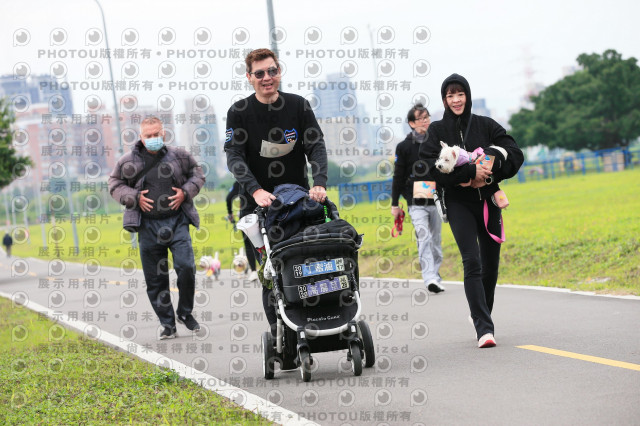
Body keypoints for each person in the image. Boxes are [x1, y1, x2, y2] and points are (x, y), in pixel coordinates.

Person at [224, 48, 328, 338]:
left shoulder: (298, 105)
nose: (267, 77)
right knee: (271, 272)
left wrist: (319, 182)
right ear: (249, 77)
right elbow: (234, 156)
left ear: (279, 71)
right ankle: (281, 334)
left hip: (298, 202)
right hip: (257, 208)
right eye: (259, 73)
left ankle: (320, 319)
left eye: (272, 71)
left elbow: (315, 145)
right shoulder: (239, 112)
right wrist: (256, 190)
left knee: (310, 263)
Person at [420, 74, 523, 348]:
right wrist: (468, 172)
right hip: (458, 203)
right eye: (450, 95)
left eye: (460, 94)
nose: (456, 100)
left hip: (489, 200)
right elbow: (428, 168)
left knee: (491, 265)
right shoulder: (436, 131)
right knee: (472, 261)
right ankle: (484, 329)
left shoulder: (485, 125)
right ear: (444, 100)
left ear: (467, 95)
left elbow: (515, 153)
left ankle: (480, 311)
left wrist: (492, 164)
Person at [108, 116, 205, 340]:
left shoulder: (179, 155)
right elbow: (114, 184)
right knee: (155, 279)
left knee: (186, 267)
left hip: (177, 221)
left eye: (156, 134)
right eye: (148, 135)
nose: (153, 138)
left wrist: (185, 192)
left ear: (163, 134)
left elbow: (197, 174)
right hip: (147, 225)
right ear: (141, 137)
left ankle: (185, 312)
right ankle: (167, 324)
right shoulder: (127, 161)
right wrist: (133, 197)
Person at [391, 104, 445, 294]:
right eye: (420, 119)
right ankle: (429, 278)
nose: (425, 121)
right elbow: (398, 176)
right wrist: (395, 204)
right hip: (415, 202)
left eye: (426, 117)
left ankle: (436, 275)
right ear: (412, 123)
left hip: (437, 200)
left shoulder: (437, 142)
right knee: (424, 237)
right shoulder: (404, 147)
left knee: (436, 241)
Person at [225, 181, 258, 280]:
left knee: (248, 244)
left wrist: (230, 213)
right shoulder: (260, 178)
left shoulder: (239, 182)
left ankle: (254, 271)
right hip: (262, 212)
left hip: (246, 216)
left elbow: (229, 198)